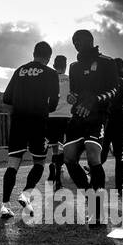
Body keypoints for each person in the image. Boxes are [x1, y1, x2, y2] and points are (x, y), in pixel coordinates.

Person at [63, 29, 120, 224]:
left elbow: (114, 90)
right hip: (78, 116)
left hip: (97, 116)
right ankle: (90, 195)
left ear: (90, 40)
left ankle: (97, 211)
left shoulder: (107, 62)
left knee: (93, 155)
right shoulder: (74, 66)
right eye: (74, 42)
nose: (76, 44)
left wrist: (95, 100)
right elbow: (75, 91)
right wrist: (72, 97)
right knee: (69, 158)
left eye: (79, 40)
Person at [0, 41, 60, 218]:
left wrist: (21, 102)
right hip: (38, 121)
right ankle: (25, 194)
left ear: (33, 53)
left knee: (13, 164)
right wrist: (42, 107)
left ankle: (4, 205)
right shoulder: (50, 73)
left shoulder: (20, 70)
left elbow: (6, 97)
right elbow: (54, 103)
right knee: (39, 163)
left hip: (18, 120)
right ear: (48, 57)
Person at [103, 57, 123, 191]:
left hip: (105, 121)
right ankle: (118, 188)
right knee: (119, 157)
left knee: (102, 154)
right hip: (119, 122)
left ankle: (94, 182)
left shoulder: (106, 82)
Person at [45, 54, 72, 190]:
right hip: (66, 116)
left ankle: (54, 165)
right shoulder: (70, 80)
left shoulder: (48, 79)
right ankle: (57, 170)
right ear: (65, 66)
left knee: (55, 145)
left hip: (51, 116)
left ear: (54, 65)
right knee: (64, 146)